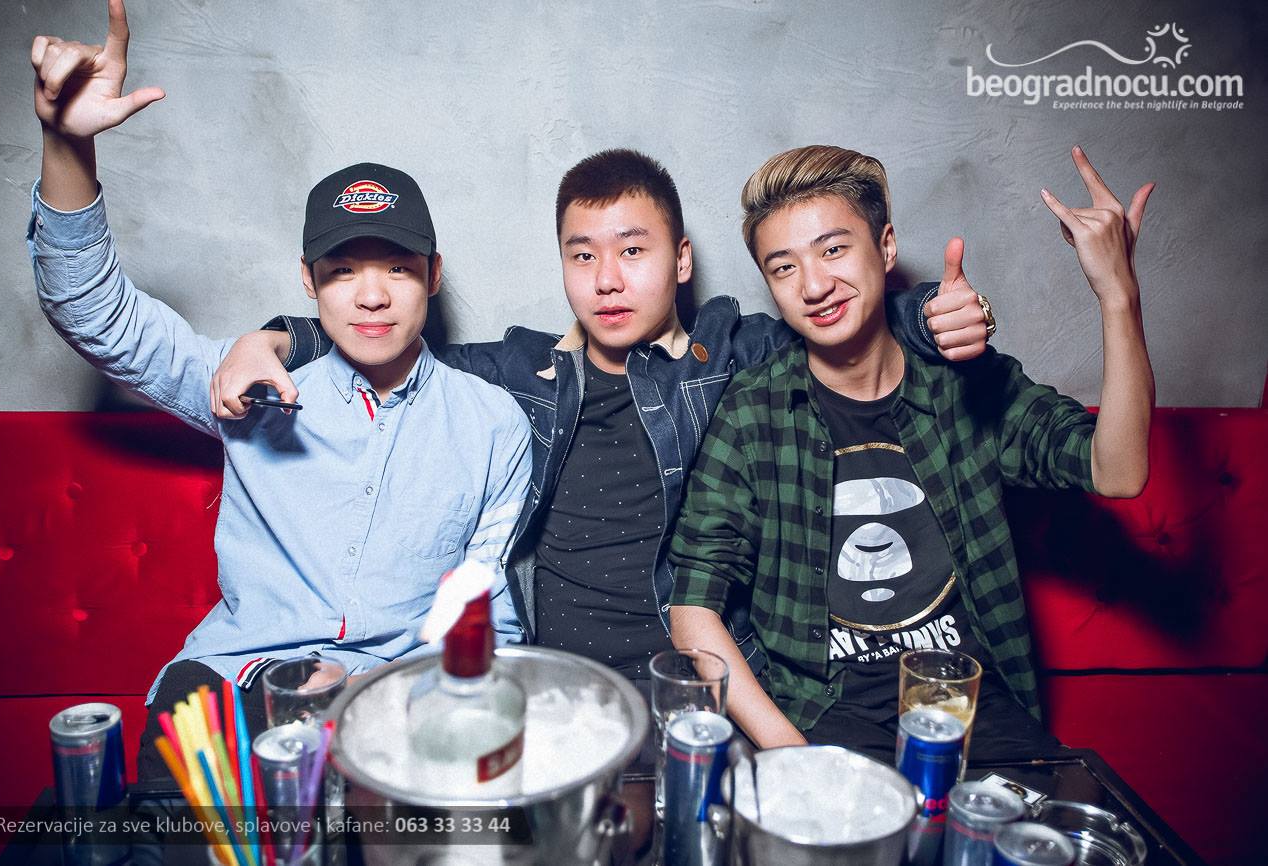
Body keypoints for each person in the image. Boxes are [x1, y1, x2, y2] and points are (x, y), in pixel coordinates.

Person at [212, 151, 995, 708]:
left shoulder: (731, 353)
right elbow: (388, 335)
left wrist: (930, 314)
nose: (608, 280)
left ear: (681, 261)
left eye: (633, 250)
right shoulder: (517, 373)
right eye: (583, 256)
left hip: (704, 685)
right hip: (548, 688)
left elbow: (838, 318)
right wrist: (276, 338)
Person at [27, 0, 532, 781]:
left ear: (433, 276)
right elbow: (94, 313)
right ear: (308, 280)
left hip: (396, 701)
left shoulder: (492, 422)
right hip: (233, 686)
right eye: (343, 271)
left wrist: (384, 691)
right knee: (162, 818)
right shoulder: (253, 385)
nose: (372, 295)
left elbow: (485, 604)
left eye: (397, 268)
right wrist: (68, 144)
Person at [667, 144, 1154, 764]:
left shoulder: (963, 384)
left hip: (969, 702)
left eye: (833, 249)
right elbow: (693, 610)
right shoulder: (752, 412)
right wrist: (793, 758)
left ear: (887, 246)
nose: (814, 285)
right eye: (783, 267)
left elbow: (1117, 472)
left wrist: (1117, 294)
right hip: (823, 712)